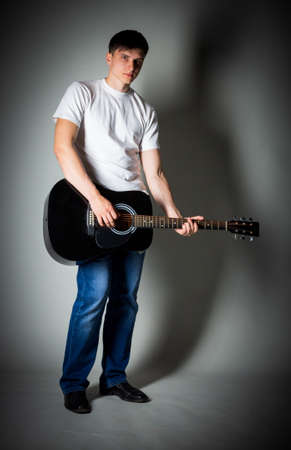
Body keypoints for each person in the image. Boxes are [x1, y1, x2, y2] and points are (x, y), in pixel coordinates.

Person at [53, 30, 203, 414]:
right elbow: (62, 146)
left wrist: (173, 213)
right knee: (93, 298)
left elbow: (154, 173)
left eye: (138, 60)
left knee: (126, 301)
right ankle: (74, 384)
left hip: (134, 215)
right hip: (93, 213)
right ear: (108, 57)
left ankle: (115, 378)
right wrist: (96, 198)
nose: (131, 66)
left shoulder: (145, 111)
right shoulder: (82, 93)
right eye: (124, 57)